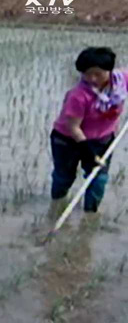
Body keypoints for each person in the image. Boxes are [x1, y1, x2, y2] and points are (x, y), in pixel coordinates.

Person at [51, 47, 127, 213]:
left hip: (102, 139)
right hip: (68, 140)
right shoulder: (78, 95)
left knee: (98, 179)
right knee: (64, 177)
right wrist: (88, 152)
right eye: (86, 73)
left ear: (109, 70)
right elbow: (73, 127)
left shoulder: (122, 80)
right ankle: (56, 207)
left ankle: (90, 214)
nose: (92, 78)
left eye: (97, 74)